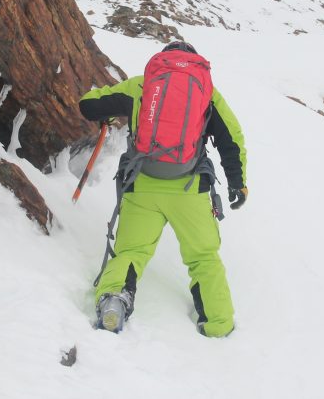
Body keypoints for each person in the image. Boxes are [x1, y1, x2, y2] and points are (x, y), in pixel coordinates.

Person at [78, 40, 248, 337]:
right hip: (189, 189)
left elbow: (88, 105)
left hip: (143, 185)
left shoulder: (141, 86)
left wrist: (106, 110)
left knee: (130, 251)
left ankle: (113, 302)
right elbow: (230, 138)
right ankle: (219, 324)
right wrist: (238, 184)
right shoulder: (206, 92)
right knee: (203, 256)